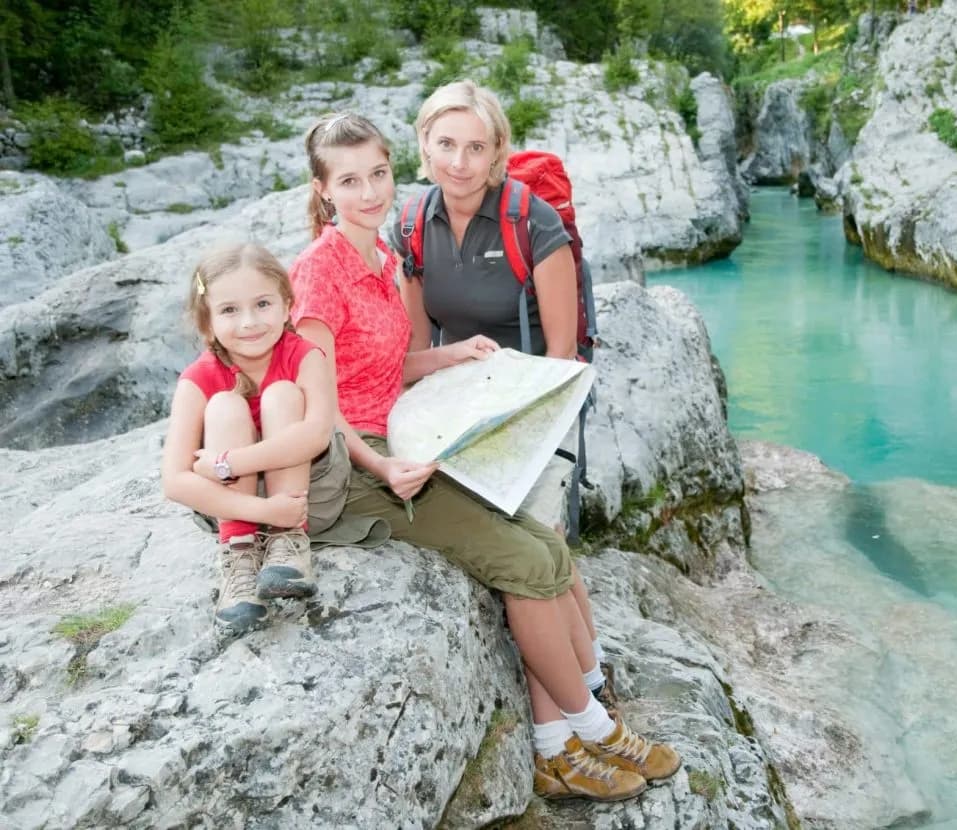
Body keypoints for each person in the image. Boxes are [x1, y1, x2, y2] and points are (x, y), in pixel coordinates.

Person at [290, 111, 680, 802]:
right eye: (349, 181)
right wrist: (381, 468)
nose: (370, 192)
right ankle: (589, 733)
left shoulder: (381, 257)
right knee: (525, 562)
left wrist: (452, 355)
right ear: (322, 189)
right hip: (355, 464)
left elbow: (383, 366)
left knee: (547, 546)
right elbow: (317, 402)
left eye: (378, 174)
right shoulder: (319, 272)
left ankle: (561, 743)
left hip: (405, 437)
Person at [398, 77, 615, 701]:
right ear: (424, 144)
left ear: (498, 151)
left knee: (538, 535)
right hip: (462, 398)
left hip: (535, 397)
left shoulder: (531, 220)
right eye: (446, 144)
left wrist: (520, 433)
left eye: (476, 147)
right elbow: (416, 351)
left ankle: (580, 694)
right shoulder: (412, 223)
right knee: (525, 541)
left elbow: (561, 352)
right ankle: (591, 675)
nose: (460, 163)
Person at [161, 243, 345, 633]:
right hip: (235, 509)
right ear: (207, 323)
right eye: (229, 310)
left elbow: (316, 435)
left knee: (282, 394)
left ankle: (288, 545)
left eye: (262, 304)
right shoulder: (198, 378)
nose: (249, 322)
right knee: (224, 405)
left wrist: (227, 464)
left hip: (304, 500)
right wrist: (264, 510)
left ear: (287, 305)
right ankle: (240, 556)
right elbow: (174, 481)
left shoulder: (306, 355)